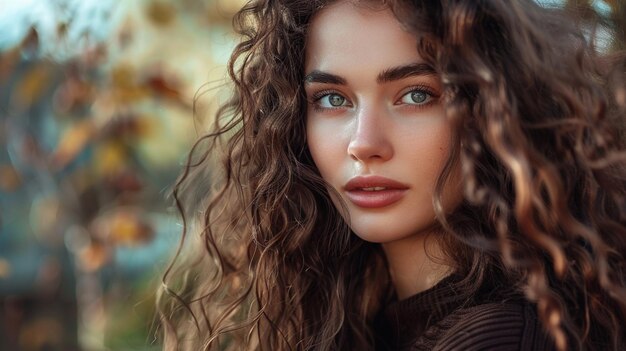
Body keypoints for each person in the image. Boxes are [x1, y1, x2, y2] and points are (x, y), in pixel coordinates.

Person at [158, 0, 626, 350]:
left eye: (417, 95)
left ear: (497, 112)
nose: (364, 143)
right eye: (332, 99)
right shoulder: (363, 323)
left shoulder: (500, 339)